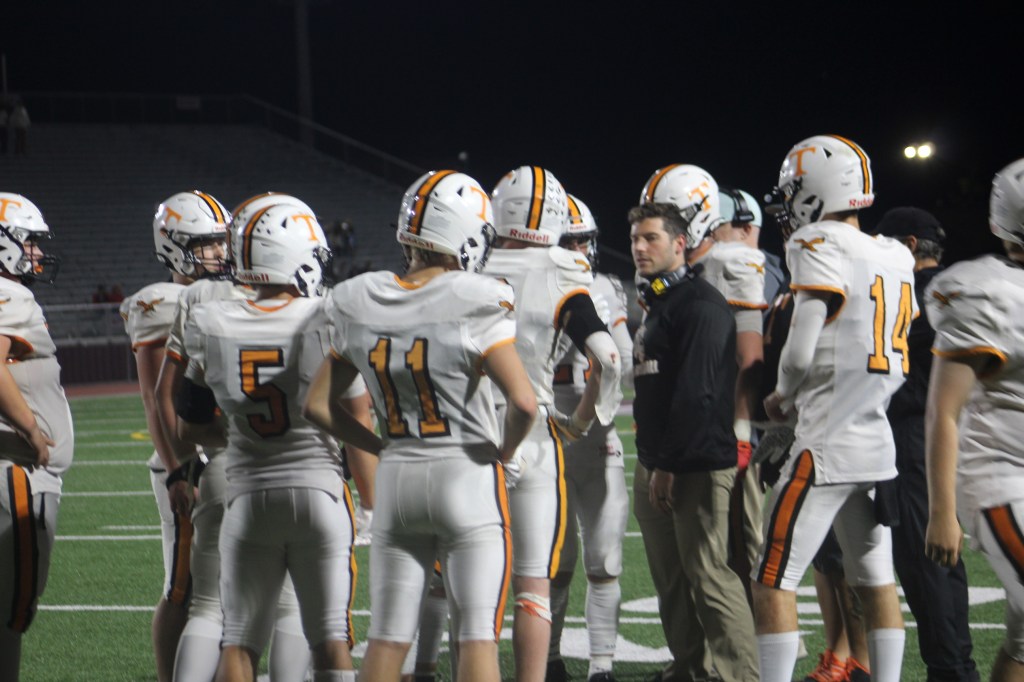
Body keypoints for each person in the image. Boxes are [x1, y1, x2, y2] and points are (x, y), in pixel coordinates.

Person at [306, 169, 537, 682]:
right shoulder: (478, 297)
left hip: (397, 482)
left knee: (388, 639)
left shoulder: (360, 298)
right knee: (475, 637)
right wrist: (504, 452)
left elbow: (317, 406)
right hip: (466, 476)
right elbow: (524, 403)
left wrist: (379, 446)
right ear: (469, 237)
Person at [158, 193, 367, 682]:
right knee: (329, 637)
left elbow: (187, 421)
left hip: (246, 491)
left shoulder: (212, 319)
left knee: (234, 636)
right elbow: (359, 417)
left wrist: (232, 429)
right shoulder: (328, 317)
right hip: (318, 489)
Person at [756, 135, 911, 682]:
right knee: (875, 579)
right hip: (876, 442)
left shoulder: (818, 242)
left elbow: (800, 350)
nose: (787, 206)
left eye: (793, 193)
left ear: (816, 192)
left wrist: (781, 395)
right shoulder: (896, 254)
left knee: (771, 577)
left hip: (825, 444)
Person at [484, 165, 623, 682]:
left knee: (465, 583)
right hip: (538, 434)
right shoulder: (567, 273)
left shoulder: (470, 263)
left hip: (472, 434)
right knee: (534, 584)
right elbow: (611, 358)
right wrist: (584, 422)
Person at [631, 164, 758, 682]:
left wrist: (667, 465)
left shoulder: (703, 304)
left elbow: (697, 394)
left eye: (651, 238)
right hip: (658, 456)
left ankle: (740, 675)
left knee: (710, 576)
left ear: (681, 243)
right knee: (671, 579)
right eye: (635, 238)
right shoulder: (663, 300)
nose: (640, 247)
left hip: (694, 462)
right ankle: (691, 667)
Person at [120, 190, 229, 682]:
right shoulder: (159, 302)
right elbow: (153, 397)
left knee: (228, 587)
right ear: (172, 245)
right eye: (206, 244)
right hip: (187, 459)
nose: (219, 252)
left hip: (226, 454)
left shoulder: (224, 293)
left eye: (221, 242)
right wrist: (176, 470)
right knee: (182, 588)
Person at [925, 157, 1024, 682]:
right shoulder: (989, 293)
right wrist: (943, 512)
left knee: (1022, 640)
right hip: (1000, 477)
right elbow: (944, 411)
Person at [872, 207, 980, 682]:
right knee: (935, 561)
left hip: (918, 434)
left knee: (925, 561)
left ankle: (951, 670)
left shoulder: (919, 291)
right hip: (951, 430)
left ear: (910, 245)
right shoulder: (958, 287)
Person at [548, 194, 632, 682]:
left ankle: (601, 665)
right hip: (552, 436)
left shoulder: (602, 287)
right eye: (570, 241)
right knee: (554, 563)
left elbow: (621, 356)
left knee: (604, 559)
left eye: (584, 240)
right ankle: (550, 659)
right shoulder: (534, 284)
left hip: (592, 433)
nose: (580, 250)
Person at [0, 193, 73, 682]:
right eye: (29, 242)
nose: (38, 253)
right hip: (15, 473)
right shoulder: (10, 294)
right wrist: (31, 428)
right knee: (10, 609)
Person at [701, 187, 769, 602]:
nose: (708, 239)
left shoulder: (745, 267)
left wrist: (744, 429)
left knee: (747, 545)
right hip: (741, 428)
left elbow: (752, 360)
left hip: (744, 430)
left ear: (744, 229)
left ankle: (764, 629)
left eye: (715, 229)